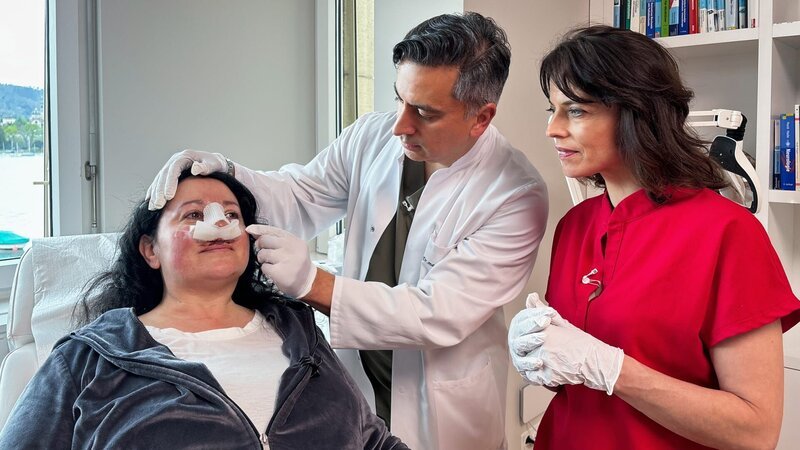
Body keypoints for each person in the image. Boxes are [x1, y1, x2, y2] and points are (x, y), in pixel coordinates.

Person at [146, 12, 548, 450]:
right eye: (400, 100)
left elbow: (437, 312)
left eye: (424, 113)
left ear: (481, 117)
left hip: (444, 413)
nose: (400, 125)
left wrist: (312, 284)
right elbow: (300, 194)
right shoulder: (372, 138)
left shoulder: (516, 195)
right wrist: (230, 173)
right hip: (356, 389)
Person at [508, 25, 800, 450]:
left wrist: (612, 368)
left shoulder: (728, 234)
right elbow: (579, 383)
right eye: (550, 110)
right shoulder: (574, 226)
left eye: (575, 111)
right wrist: (541, 353)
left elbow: (755, 431)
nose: (552, 129)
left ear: (637, 112)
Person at [0, 171, 407, 450]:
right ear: (150, 250)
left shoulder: (299, 333)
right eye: (194, 214)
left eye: (232, 214)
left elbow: (373, 440)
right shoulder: (88, 357)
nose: (220, 223)